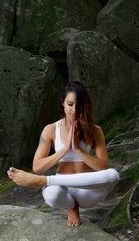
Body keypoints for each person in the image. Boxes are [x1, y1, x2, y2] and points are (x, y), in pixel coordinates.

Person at [7, 81, 119, 227]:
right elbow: (37, 167)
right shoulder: (51, 129)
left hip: (87, 190)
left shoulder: (95, 131)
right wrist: (64, 150)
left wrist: (78, 150)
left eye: (78, 105)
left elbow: (103, 166)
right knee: (52, 195)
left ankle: (43, 181)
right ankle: (72, 206)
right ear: (63, 104)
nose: (74, 110)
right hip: (62, 189)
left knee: (113, 175)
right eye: (70, 104)